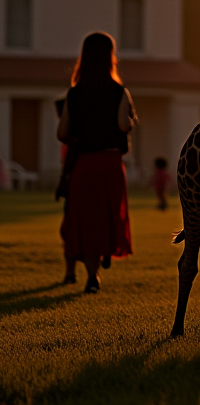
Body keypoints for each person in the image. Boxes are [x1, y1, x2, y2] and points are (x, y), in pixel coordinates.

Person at [57, 32, 137, 292]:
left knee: (87, 219)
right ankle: (103, 257)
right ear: (110, 57)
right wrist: (132, 121)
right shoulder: (119, 92)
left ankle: (92, 276)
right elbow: (124, 124)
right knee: (108, 215)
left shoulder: (74, 94)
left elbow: (63, 134)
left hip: (85, 165)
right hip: (110, 163)